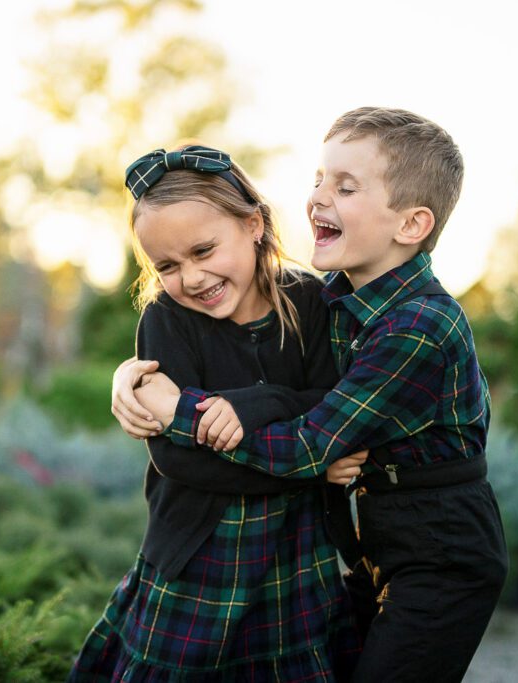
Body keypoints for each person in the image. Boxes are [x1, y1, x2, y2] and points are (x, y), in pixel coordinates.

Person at [118, 108, 509, 682]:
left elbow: (309, 443)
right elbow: (299, 400)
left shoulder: (418, 325)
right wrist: (128, 376)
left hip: (442, 548)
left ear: (410, 225)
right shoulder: (335, 298)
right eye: (318, 179)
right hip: (375, 536)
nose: (318, 197)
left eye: (345, 187)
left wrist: (179, 409)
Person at [67, 145, 361, 682]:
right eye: (168, 266)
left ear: (252, 224)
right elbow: (178, 460)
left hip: (296, 557)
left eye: (204, 250)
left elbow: (330, 407)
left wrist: (255, 405)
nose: (192, 277)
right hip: (198, 556)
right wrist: (313, 465)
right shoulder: (166, 320)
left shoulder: (311, 304)